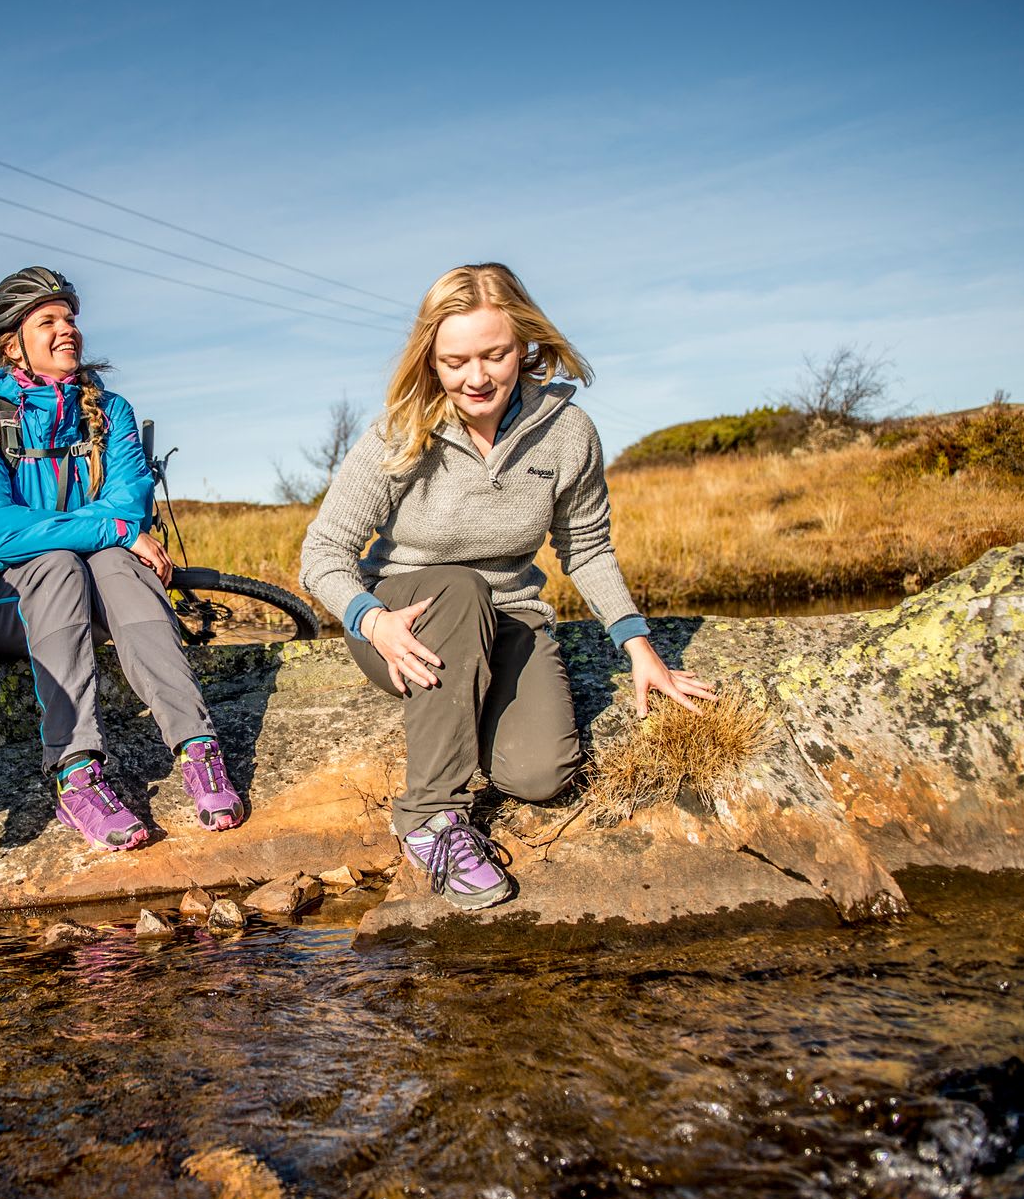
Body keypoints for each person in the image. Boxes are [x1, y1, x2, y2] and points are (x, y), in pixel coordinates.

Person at [300, 262, 715, 911]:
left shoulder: (567, 431)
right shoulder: (399, 432)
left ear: (524, 343)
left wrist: (639, 645)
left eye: (493, 354)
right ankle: (428, 817)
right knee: (462, 590)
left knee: (539, 773)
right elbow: (321, 551)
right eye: (455, 360)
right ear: (430, 360)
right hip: (405, 621)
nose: (476, 377)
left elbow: (588, 546)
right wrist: (371, 618)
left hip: (511, 617)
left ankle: (471, 702)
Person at [0, 266, 246, 849]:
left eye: (71, 319)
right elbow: (4, 535)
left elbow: (131, 506)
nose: (68, 331)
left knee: (115, 563)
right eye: (49, 321)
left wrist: (115, 532)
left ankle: (197, 748)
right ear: (13, 344)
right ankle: (75, 772)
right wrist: (109, 528)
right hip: (0, 603)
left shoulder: (111, 411)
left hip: (98, 592)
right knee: (61, 562)